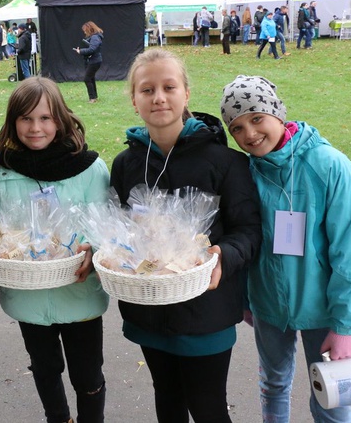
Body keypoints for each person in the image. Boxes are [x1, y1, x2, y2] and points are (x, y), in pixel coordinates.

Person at [110, 48, 261, 423]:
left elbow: (249, 230)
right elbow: (117, 228)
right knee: (168, 398)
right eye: (147, 90)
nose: (159, 97)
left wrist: (222, 254)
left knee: (208, 406)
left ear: (186, 94)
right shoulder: (126, 164)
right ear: (134, 100)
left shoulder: (225, 162)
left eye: (168, 86)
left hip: (206, 309)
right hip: (148, 307)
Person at [220, 75, 351, 423]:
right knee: (273, 385)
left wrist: (347, 326)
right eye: (237, 128)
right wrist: (247, 299)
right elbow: (245, 238)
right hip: (269, 309)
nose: (249, 134)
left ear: (278, 113)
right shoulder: (246, 173)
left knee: (331, 398)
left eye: (256, 118)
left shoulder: (329, 167)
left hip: (326, 312)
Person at [0, 76, 110, 423]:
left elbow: (105, 227)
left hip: (80, 294)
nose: (35, 128)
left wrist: (96, 248)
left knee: (87, 375)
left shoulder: (90, 168)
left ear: (60, 119)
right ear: (13, 122)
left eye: (45, 118)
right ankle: (57, 418)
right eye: (25, 119)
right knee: (45, 369)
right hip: (27, 295)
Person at [73, 21, 103, 103]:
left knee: (87, 79)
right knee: (91, 78)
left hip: (95, 61)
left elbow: (92, 49)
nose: (84, 32)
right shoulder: (94, 37)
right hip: (93, 60)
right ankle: (95, 97)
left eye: (85, 30)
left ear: (90, 29)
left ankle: (92, 98)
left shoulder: (95, 37)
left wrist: (81, 51)